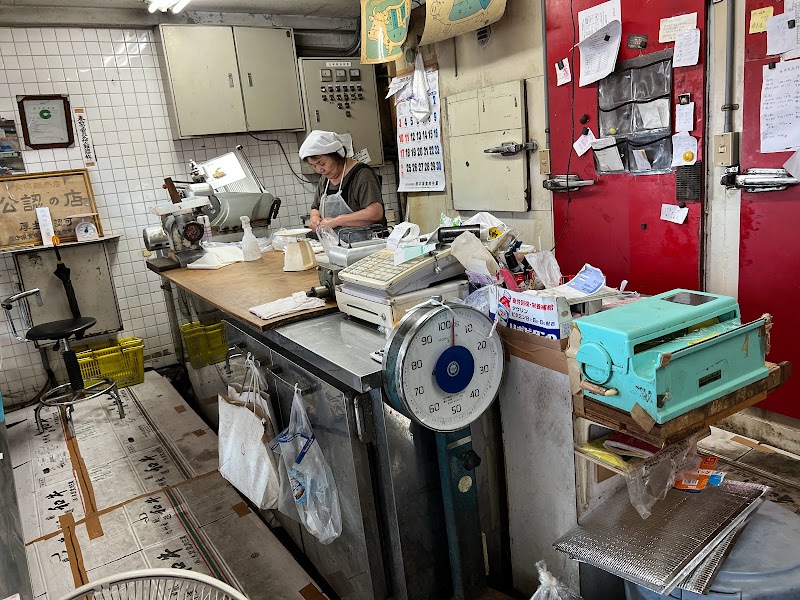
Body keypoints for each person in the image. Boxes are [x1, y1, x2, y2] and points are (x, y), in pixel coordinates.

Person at [298, 130, 384, 232]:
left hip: (365, 242)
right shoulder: (325, 179)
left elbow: (375, 212)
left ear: (336, 155)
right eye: (314, 166)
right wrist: (314, 218)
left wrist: (336, 221)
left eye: (322, 163)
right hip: (336, 243)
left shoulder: (362, 174)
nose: (319, 170)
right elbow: (315, 208)